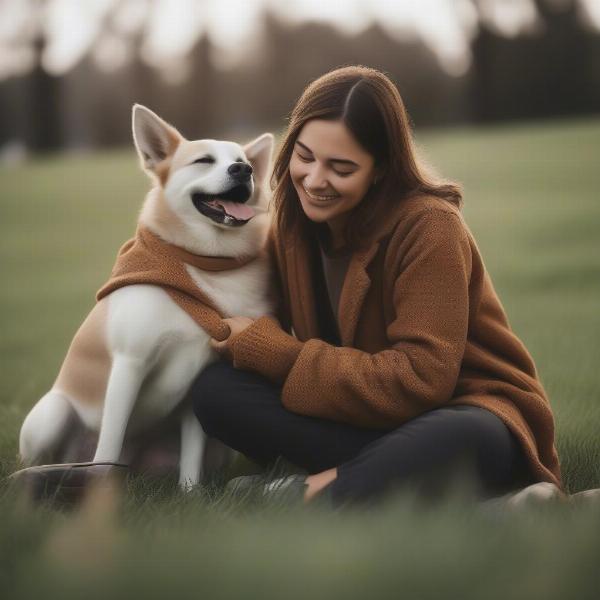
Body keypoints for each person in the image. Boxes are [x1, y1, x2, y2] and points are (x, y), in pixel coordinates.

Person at [188, 65, 563, 507]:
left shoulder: (430, 226)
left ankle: (311, 493)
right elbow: (196, 261)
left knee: (460, 433)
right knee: (218, 391)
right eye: (304, 157)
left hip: (464, 414)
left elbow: (421, 380)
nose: (314, 180)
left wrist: (281, 356)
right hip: (365, 418)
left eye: (341, 168)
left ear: (382, 168)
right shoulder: (292, 222)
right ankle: (431, 492)